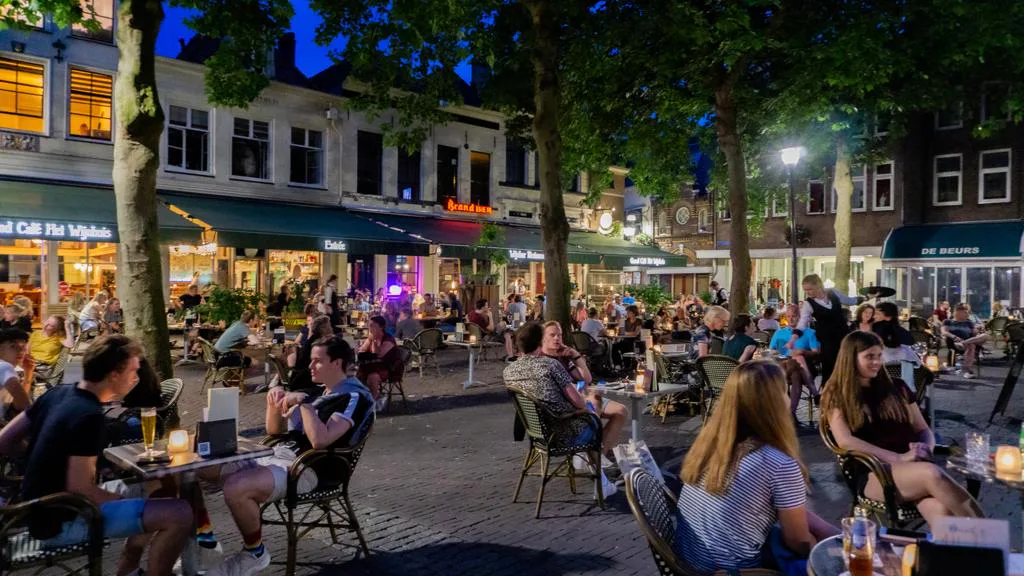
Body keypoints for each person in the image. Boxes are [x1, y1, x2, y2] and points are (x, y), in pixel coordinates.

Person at [0, 335, 192, 576]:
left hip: (35, 509)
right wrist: (119, 501)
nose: (136, 377)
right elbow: (82, 490)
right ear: (114, 375)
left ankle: (128, 569)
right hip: (61, 521)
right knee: (179, 513)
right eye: (133, 370)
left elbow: (4, 441)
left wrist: (40, 456)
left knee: (155, 488)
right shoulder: (88, 416)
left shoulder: (56, 393)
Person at [205, 335, 374, 575]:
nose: (310, 366)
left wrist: (304, 405)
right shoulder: (317, 392)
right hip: (278, 455)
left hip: (308, 469)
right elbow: (275, 431)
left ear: (337, 363)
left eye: (317, 361)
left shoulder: (353, 397)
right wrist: (273, 403)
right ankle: (202, 544)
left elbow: (320, 440)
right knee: (198, 468)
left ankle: (254, 554)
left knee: (236, 487)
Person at [674, 361, 837, 573]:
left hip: (691, 562)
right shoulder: (777, 463)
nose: (789, 399)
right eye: (785, 392)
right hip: (732, 571)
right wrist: (828, 554)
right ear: (774, 403)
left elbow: (790, 510)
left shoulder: (714, 446)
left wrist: (836, 534)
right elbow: (799, 541)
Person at [822, 331, 983, 523]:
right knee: (932, 474)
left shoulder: (896, 387)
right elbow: (845, 441)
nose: (877, 362)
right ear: (850, 358)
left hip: (914, 467)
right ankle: (990, 536)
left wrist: (925, 448)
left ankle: (959, 542)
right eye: (869, 357)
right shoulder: (836, 392)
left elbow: (923, 429)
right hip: (875, 472)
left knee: (940, 509)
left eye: (879, 355)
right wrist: (899, 458)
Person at [786, 274, 860, 388]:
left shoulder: (833, 292)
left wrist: (867, 297)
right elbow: (802, 324)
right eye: (805, 290)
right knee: (830, 367)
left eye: (810, 289)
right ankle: (826, 392)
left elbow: (851, 301)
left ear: (819, 285)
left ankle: (847, 391)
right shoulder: (808, 304)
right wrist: (792, 340)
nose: (807, 292)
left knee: (847, 364)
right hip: (827, 339)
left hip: (843, 335)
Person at [357, 316, 402, 403]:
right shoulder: (371, 337)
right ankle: (362, 400)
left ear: (381, 327)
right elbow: (361, 350)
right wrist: (368, 342)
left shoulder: (388, 339)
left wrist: (373, 341)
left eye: (372, 325)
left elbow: (379, 355)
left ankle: (374, 401)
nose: (370, 328)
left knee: (372, 377)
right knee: (357, 374)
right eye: (369, 325)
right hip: (373, 366)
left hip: (390, 368)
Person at [286, 315, 334, 394]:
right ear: (323, 329)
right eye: (329, 326)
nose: (331, 328)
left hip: (300, 379)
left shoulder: (313, 339)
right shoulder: (319, 343)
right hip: (308, 382)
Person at [940, 304, 990, 379]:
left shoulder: (969, 322)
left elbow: (974, 333)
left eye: (966, 312)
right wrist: (954, 337)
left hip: (967, 341)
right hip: (955, 342)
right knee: (971, 345)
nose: (967, 314)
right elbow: (944, 332)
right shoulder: (948, 321)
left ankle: (965, 342)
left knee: (985, 336)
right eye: (964, 312)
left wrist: (977, 331)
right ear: (956, 312)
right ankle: (968, 371)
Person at [213, 310, 261, 376]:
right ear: (251, 320)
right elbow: (255, 342)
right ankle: (238, 379)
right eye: (255, 320)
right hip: (222, 358)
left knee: (244, 355)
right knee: (255, 362)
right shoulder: (243, 327)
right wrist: (253, 340)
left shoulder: (236, 323)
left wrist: (248, 341)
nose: (256, 322)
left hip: (215, 355)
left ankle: (234, 378)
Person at [0, 328, 31, 416]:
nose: (20, 351)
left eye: (23, 348)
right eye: (13, 346)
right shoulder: (4, 366)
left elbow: (18, 403)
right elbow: (24, 406)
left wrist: (28, 372)